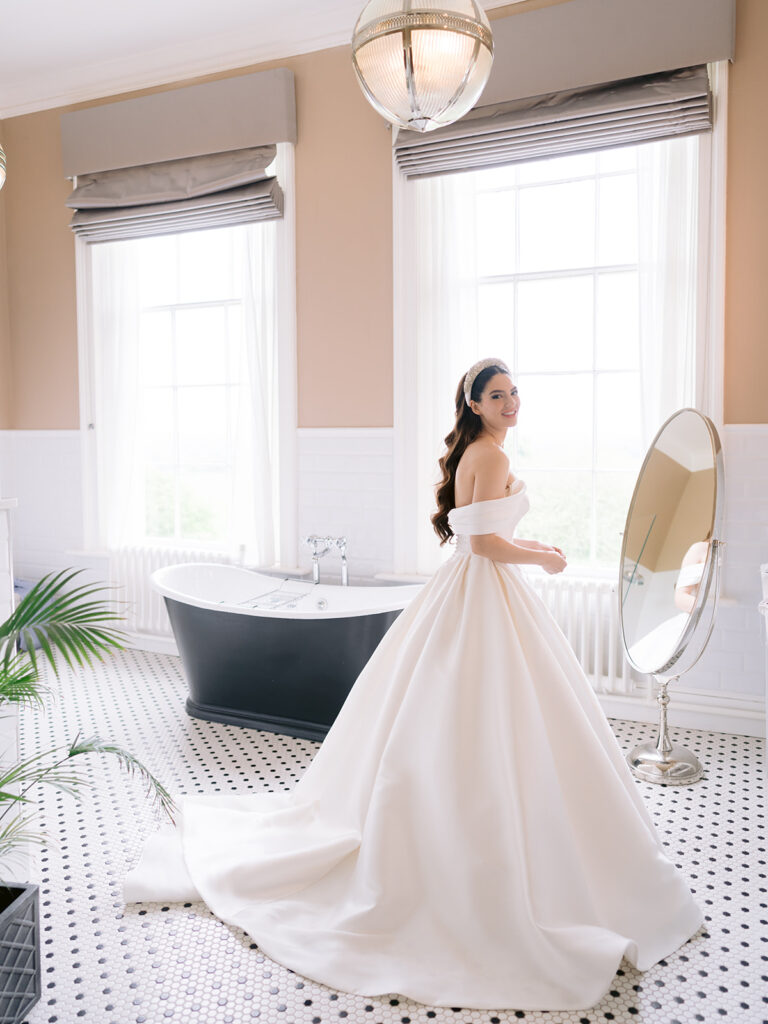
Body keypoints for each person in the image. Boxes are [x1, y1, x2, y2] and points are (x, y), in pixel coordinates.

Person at [125, 357, 703, 1011]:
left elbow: (484, 529)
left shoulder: (484, 449)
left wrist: (529, 542)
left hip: (488, 593)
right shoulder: (483, 452)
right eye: (497, 394)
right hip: (484, 588)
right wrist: (540, 556)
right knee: (473, 713)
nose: (511, 402)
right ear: (475, 404)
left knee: (507, 711)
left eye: (515, 392)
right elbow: (482, 545)